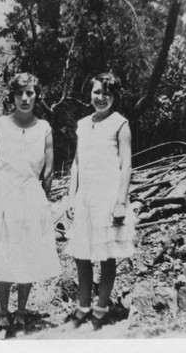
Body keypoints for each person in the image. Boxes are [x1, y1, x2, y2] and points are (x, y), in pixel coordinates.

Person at [0, 73, 61, 330]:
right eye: (19, 93)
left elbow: (48, 172)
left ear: (37, 95)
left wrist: (40, 202)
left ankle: (21, 311)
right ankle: (3, 311)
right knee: (4, 254)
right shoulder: (0, 124)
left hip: (31, 197)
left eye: (30, 93)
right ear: (12, 96)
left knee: (27, 255)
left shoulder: (44, 128)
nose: (25, 98)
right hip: (2, 196)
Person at [65, 72, 135, 330]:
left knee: (107, 254)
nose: (101, 97)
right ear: (90, 93)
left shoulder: (120, 123)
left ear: (114, 96)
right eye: (97, 92)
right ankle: (84, 304)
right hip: (85, 197)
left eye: (107, 93)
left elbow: (126, 164)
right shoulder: (83, 124)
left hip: (108, 196)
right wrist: (71, 196)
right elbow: (76, 163)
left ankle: (102, 306)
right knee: (81, 253)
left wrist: (120, 201)